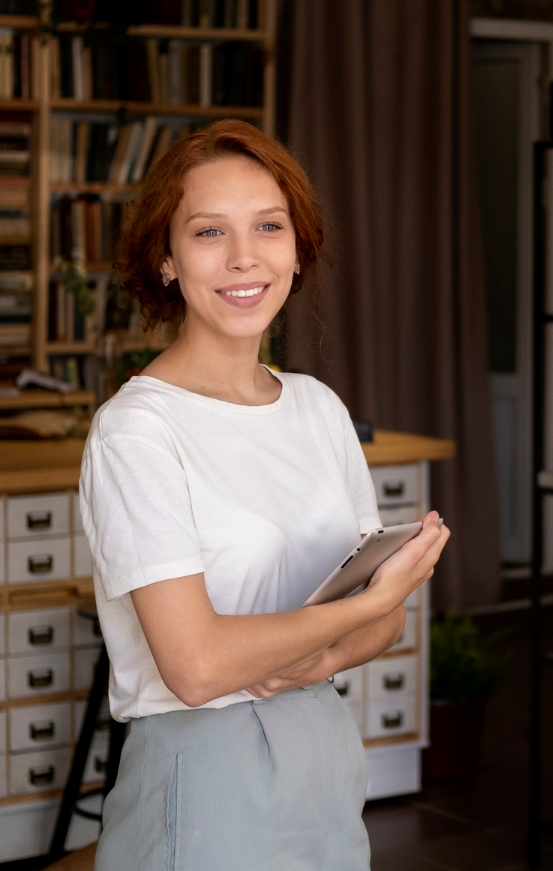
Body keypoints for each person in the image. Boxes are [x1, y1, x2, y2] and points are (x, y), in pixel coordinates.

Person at [81, 119, 450, 869]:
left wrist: (323, 659)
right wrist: (364, 610)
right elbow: (197, 668)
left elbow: (386, 626)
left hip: (325, 755)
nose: (245, 257)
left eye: (268, 227)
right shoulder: (136, 431)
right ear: (166, 260)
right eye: (210, 231)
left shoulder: (317, 408)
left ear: (297, 249)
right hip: (204, 777)